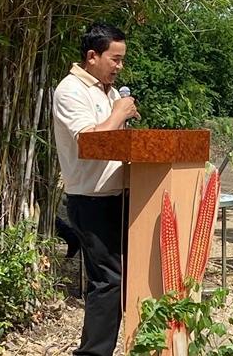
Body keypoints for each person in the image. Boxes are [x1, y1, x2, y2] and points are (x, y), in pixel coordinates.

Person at [53, 21, 140, 356]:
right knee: (108, 281)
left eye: (122, 59)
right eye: (115, 59)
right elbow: (90, 142)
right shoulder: (70, 91)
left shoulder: (110, 92)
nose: (120, 67)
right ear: (92, 56)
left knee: (122, 279)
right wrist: (119, 113)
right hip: (91, 200)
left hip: (121, 196)